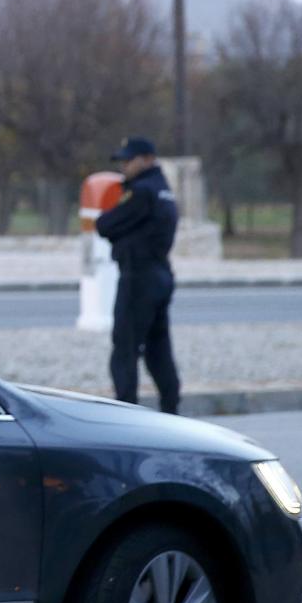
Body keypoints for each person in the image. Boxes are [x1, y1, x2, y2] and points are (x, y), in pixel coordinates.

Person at [96, 135, 181, 414]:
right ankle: (171, 407)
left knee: (125, 348)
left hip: (138, 277)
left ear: (147, 159)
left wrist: (114, 228)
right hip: (160, 275)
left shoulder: (141, 191)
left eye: (129, 160)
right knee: (158, 349)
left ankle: (126, 413)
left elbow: (106, 224)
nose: (124, 166)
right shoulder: (163, 188)